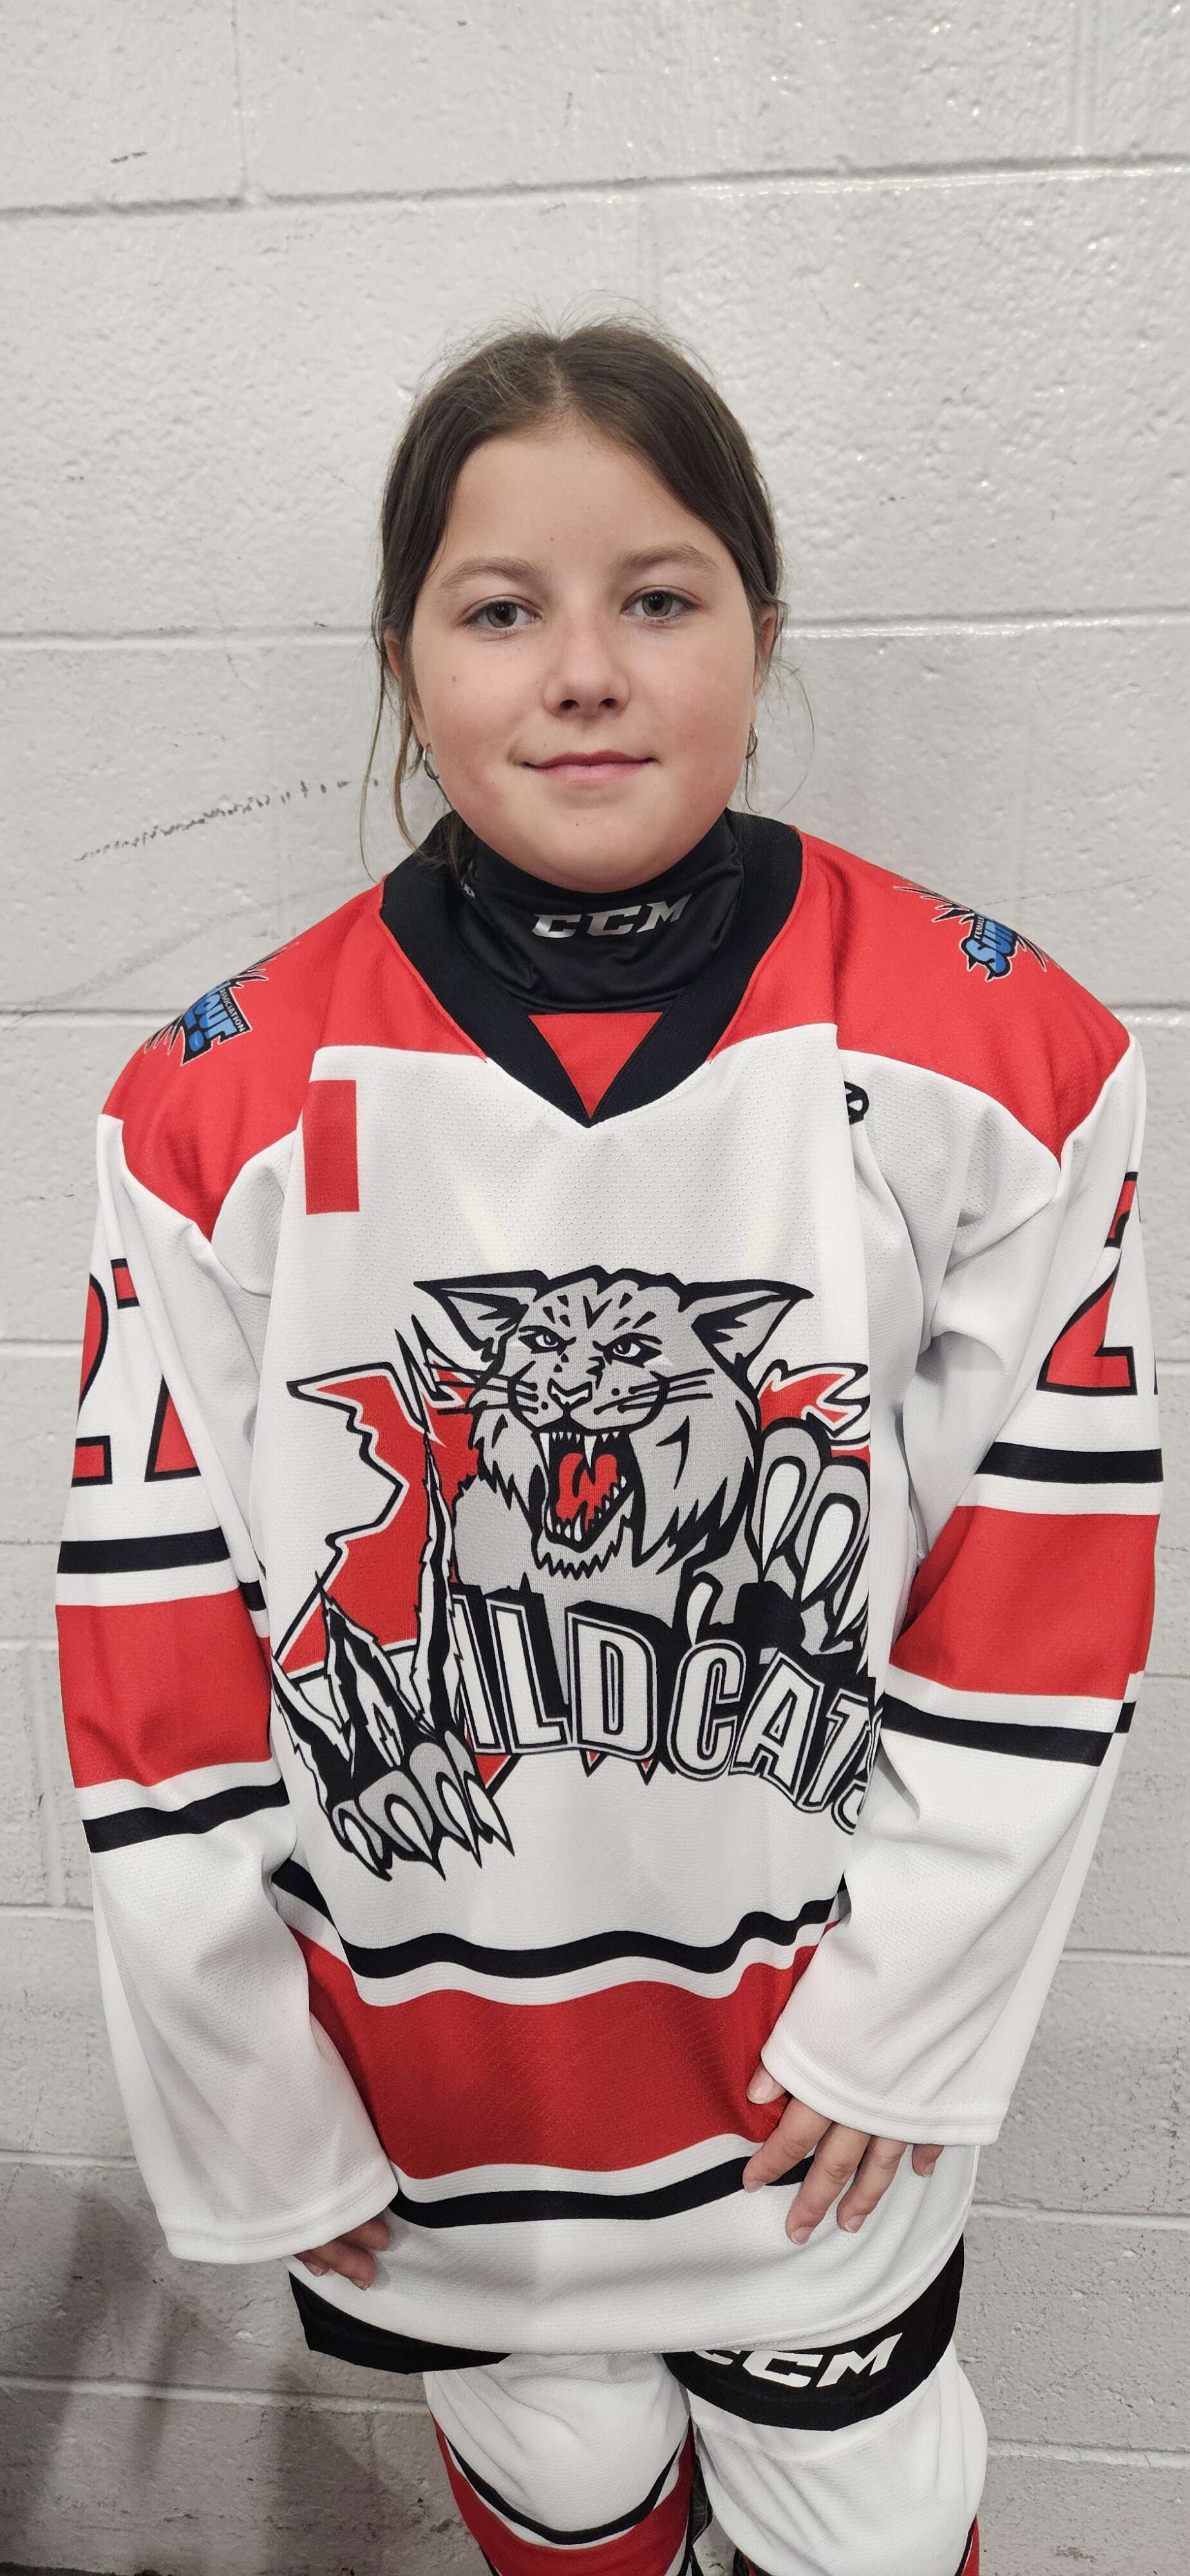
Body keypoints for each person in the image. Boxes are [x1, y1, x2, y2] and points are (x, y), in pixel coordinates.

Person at [55, 317, 1160, 2576]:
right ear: (405, 657)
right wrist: (253, 2097)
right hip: (422, 2093)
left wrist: (900, 2021)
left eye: (658, 597)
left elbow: (1044, 1599)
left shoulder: (1003, 1055)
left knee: (866, 2512)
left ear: (763, 622)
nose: (582, 673)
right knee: (562, 2485)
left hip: (809, 2086)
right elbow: (150, 1647)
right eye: (501, 609)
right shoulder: (208, 1109)